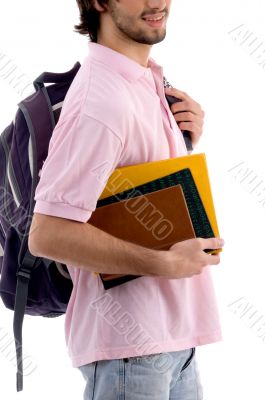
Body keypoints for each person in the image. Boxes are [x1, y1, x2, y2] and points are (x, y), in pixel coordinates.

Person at [28, 1, 225, 399]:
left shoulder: (144, 81)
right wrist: (163, 263)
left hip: (174, 342)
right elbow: (46, 234)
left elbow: (132, 187)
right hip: (130, 354)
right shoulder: (101, 101)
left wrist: (183, 136)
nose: (158, 3)